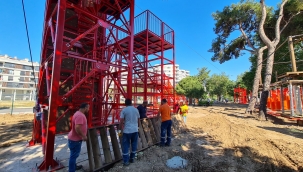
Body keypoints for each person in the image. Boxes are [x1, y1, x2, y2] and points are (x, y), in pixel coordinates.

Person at [67, 103, 89, 172]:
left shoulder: (78, 113)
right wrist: (83, 136)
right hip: (75, 140)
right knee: (73, 156)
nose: (88, 109)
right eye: (88, 108)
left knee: (73, 155)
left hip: (73, 139)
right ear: (85, 108)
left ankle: (74, 166)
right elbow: (77, 128)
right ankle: (71, 170)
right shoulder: (80, 115)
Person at [119, 98, 140, 166]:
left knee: (126, 145)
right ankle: (132, 159)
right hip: (135, 130)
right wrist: (138, 127)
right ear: (131, 103)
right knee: (134, 144)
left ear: (125, 104)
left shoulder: (124, 110)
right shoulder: (136, 109)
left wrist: (119, 130)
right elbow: (138, 120)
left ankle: (126, 161)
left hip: (127, 131)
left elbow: (121, 121)